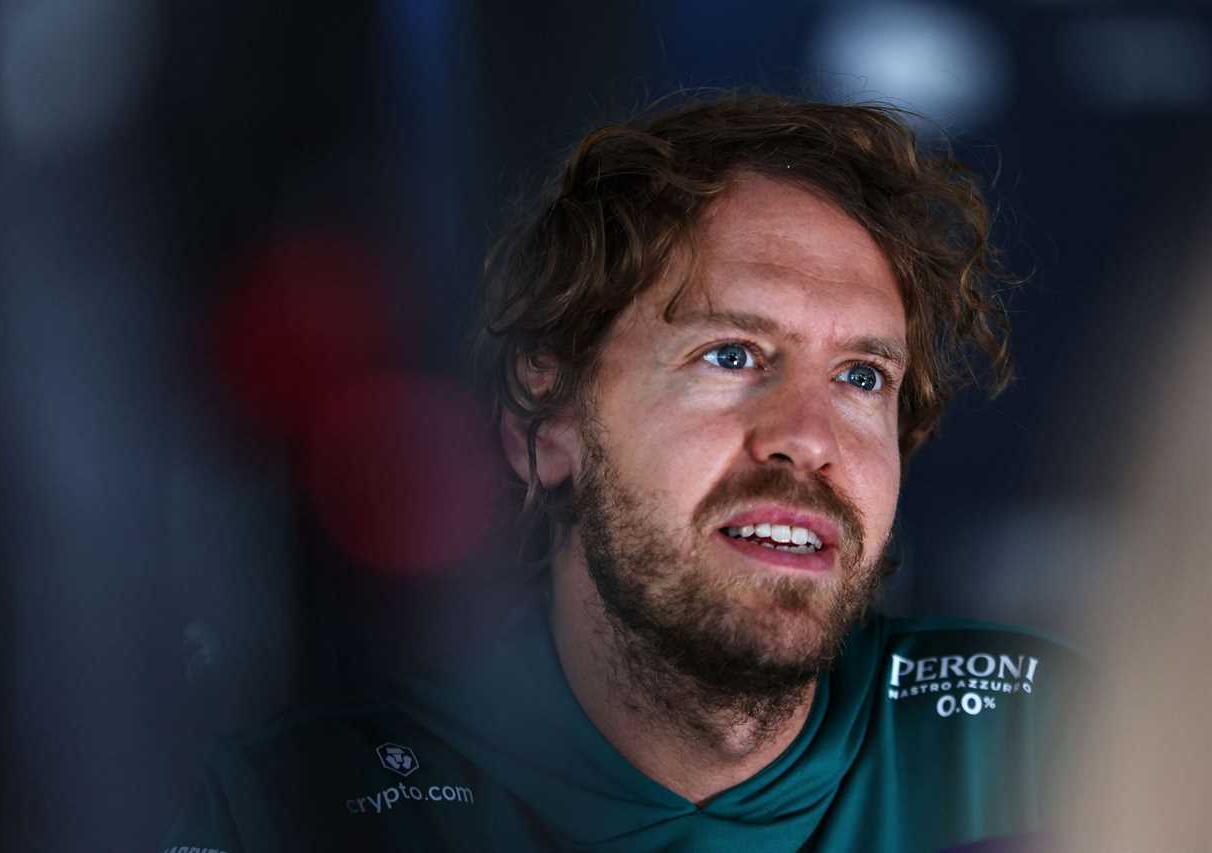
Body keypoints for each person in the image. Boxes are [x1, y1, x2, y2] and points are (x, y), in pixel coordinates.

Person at [162, 93, 1081, 852]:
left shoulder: (1053, 740)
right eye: (731, 354)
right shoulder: (286, 811)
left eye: (860, 377)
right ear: (546, 420)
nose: (808, 437)